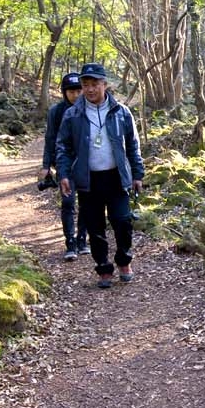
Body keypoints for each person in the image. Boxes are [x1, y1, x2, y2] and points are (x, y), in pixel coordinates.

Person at [56, 62, 145, 288]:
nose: (90, 89)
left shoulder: (121, 113)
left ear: (105, 85)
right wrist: (64, 174)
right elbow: (63, 147)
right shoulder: (72, 114)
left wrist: (137, 174)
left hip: (116, 177)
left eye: (95, 84)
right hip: (88, 179)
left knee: (122, 221)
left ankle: (124, 261)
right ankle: (104, 268)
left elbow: (133, 145)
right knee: (95, 227)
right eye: (86, 84)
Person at [40, 71, 87, 259]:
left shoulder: (90, 109)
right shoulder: (56, 112)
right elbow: (50, 138)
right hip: (63, 163)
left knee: (86, 203)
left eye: (78, 91)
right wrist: (45, 165)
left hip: (86, 163)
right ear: (64, 92)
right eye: (71, 92)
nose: (75, 95)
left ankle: (82, 240)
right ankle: (70, 243)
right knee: (68, 202)